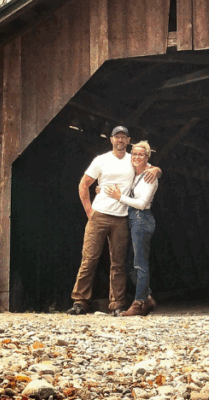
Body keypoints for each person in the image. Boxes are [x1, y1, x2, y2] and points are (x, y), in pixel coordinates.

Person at [66, 127, 160, 316]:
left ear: (128, 140)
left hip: (122, 217)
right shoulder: (101, 160)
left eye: (123, 137)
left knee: (118, 263)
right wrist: (89, 211)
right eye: (117, 137)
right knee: (89, 258)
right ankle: (80, 301)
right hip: (99, 214)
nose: (120, 140)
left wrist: (158, 170)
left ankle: (116, 304)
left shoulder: (132, 160)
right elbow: (84, 184)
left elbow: (147, 168)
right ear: (111, 139)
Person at [105, 140, 158, 318]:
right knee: (130, 265)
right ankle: (148, 297)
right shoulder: (136, 174)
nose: (136, 157)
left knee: (140, 264)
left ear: (147, 156)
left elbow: (142, 204)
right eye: (134, 154)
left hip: (142, 218)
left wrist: (120, 197)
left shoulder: (150, 177)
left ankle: (138, 303)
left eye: (140, 154)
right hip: (133, 219)